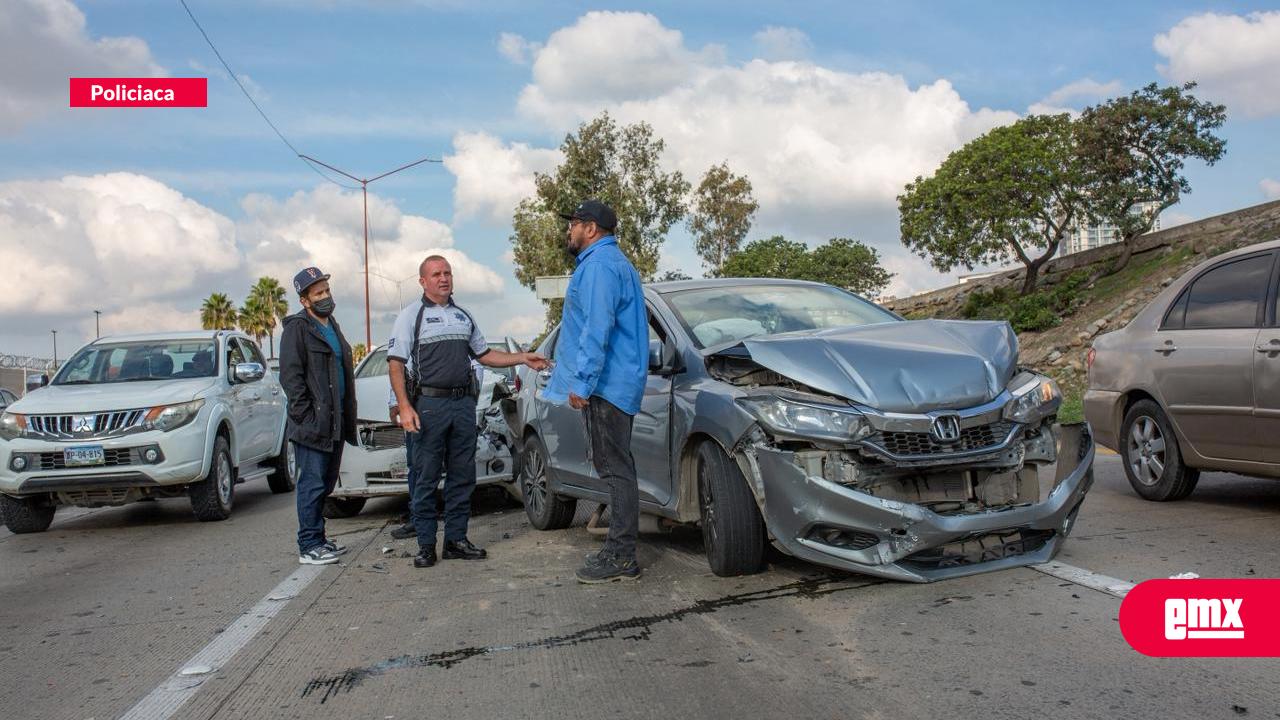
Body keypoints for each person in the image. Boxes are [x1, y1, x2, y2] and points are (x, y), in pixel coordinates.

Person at [387, 255, 548, 568]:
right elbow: (396, 364)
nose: (443, 278)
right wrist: (405, 407)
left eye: (447, 273)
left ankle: (456, 541)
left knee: (463, 476)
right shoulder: (411, 316)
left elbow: (485, 355)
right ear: (423, 281)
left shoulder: (464, 316)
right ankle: (425, 545)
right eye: (436, 274)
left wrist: (522, 357)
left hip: (462, 406)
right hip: (429, 406)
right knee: (426, 477)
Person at [543, 199, 648, 584]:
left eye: (573, 223)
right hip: (612, 382)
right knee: (615, 467)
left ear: (591, 228)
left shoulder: (601, 266)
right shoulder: (608, 264)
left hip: (606, 385)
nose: (568, 230)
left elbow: (597, 327)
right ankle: (620, 551)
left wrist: (583, 383)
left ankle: (621, 555)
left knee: (616, 469)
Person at [279, 267, 358, 565]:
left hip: (335, 420)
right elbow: (291, 377)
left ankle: (320, 539)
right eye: (318, 293)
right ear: (304, 300)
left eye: (326, 290)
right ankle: (309, 545)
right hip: (314, 423)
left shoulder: (332, 325)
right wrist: (307, 416)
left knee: (325, 483)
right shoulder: (297, 329)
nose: (325, 296)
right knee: (311, 484)